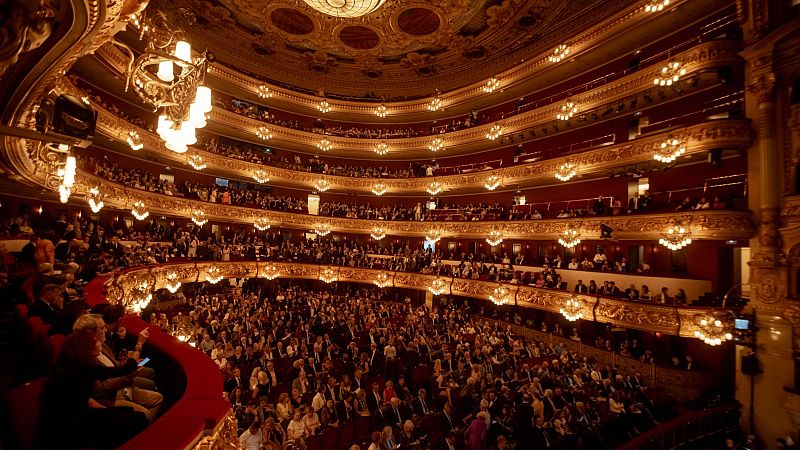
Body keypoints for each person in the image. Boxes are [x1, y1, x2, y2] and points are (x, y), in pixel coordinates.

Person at [40, 330, 148, 449]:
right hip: (72, 427)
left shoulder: (70, 364)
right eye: (95, 341)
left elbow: (79, 396)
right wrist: (139, 346)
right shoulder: (83, 367)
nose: (99, 343)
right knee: (139, 418)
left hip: (71, 418)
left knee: (128, 410)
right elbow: (127, 369)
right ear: (86, 347)